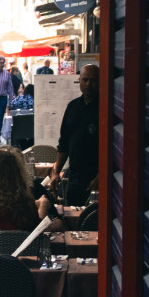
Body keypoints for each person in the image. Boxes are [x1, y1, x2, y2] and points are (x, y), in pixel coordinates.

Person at [52, 61, 101, 204]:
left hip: (96, 178)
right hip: (74, 176)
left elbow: (115, 149)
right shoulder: (72, 107)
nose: (88, 84)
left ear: (100, 81)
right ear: (79, 81)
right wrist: (56, 172)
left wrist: (101, 177)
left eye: (93, 80)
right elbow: (64, 143)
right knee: (71, 218)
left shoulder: (106, 108)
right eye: (85, 80)